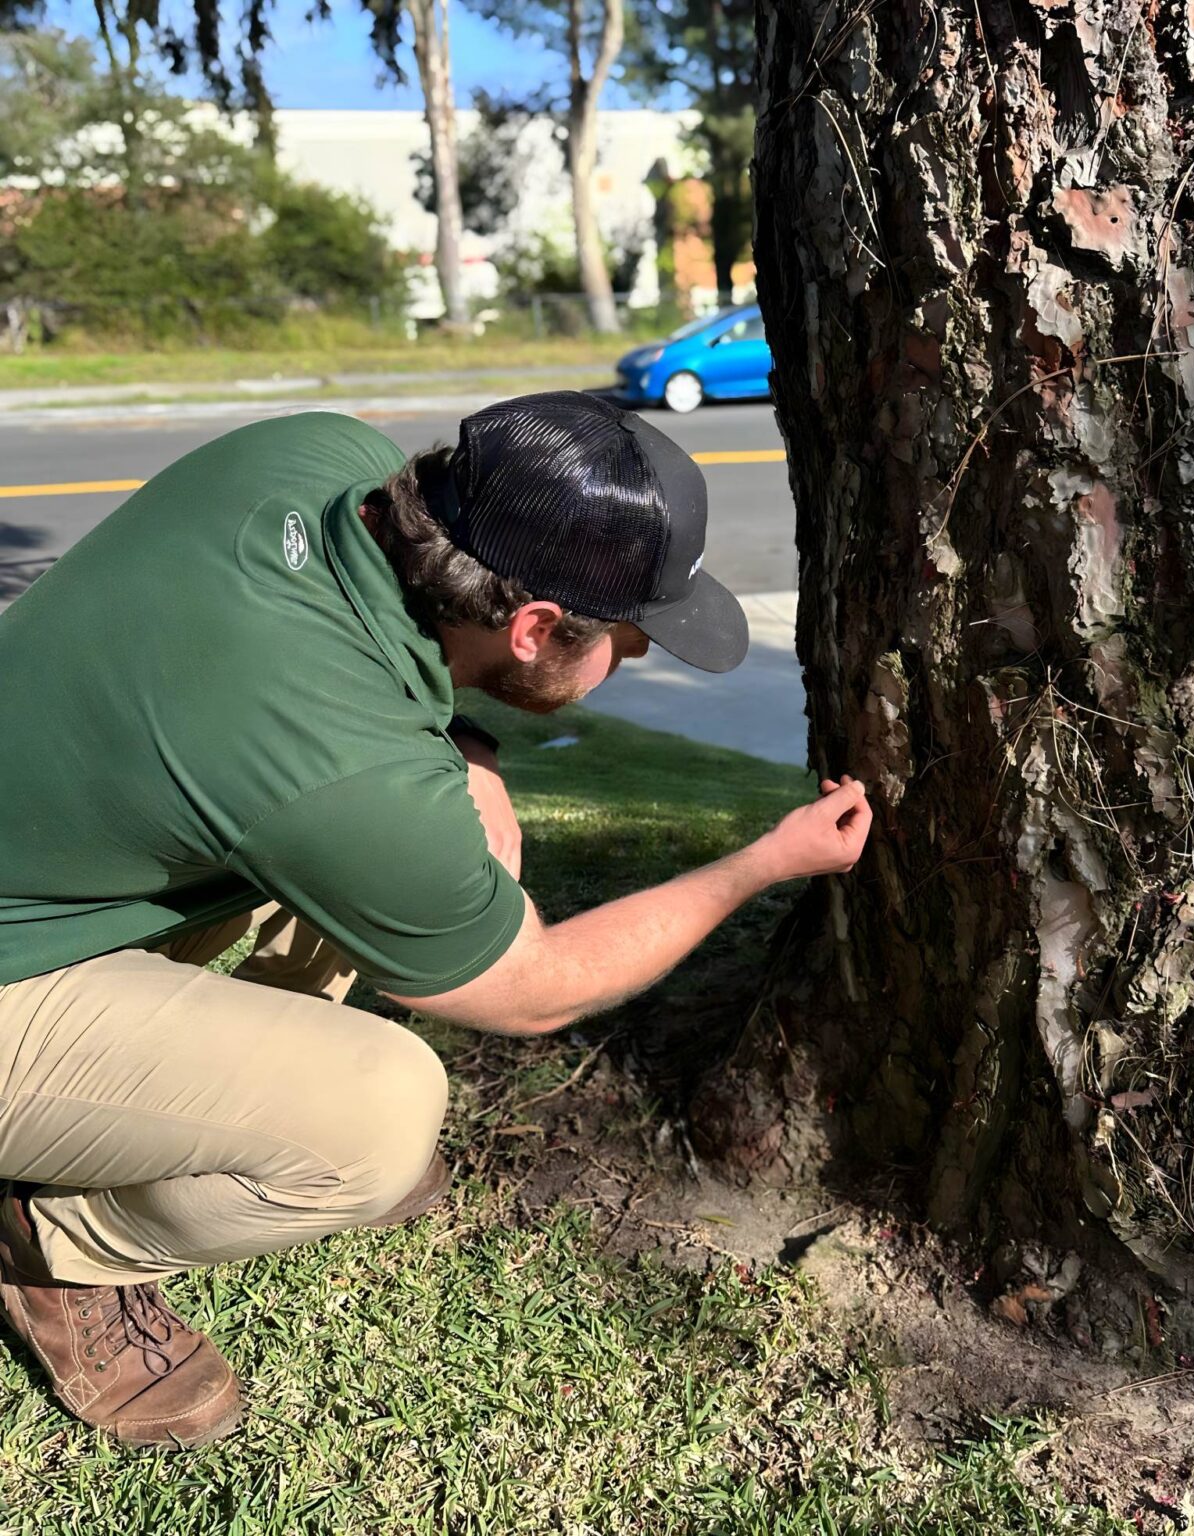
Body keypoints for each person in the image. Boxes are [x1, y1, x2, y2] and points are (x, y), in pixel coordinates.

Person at [0, 391, 872, 1449]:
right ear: (535, 627)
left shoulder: (319, 456)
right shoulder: (343, 772)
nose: (637, 659)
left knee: (422, 845)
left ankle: (205, 1104)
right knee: (379, 1120)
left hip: (49, 859)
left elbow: (318, 707)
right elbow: (537, 985)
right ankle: (59, 1242)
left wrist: (465, 747)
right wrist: (766, 862)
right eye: (633, 637)